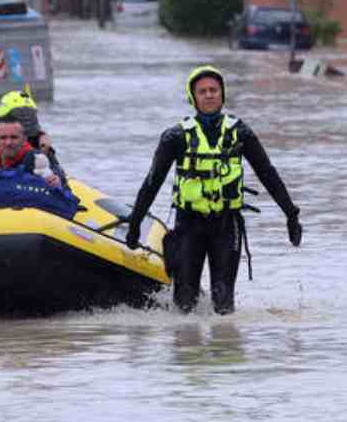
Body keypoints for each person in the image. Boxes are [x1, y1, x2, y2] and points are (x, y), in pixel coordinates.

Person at [124, 64, 303, 314]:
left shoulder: (240, 132)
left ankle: (225, 348)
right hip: (188, 226)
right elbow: (151, 183)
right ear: (193, 97)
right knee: (184, 302)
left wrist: (291, 214)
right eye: (202, 91)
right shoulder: (174, 137)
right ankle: (186, 347)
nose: (209, 95)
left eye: (214, 90)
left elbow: (267, 174)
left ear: (222, 94)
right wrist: (135, 223)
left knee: (224, 304)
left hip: (225, 226)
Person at [0, 113, 78, 219]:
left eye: (14, 137)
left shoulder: (41, 162)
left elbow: (68, 204)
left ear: (24, 139)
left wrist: (57, 186)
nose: (8, 143)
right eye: (3, 138)